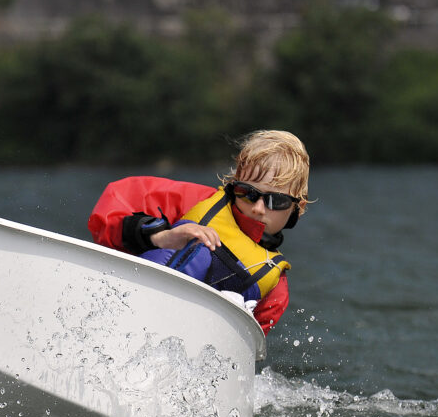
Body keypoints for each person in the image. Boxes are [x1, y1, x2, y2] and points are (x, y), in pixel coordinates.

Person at [88, 130, 310, 333]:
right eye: (247, 192)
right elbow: (109, 210)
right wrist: (159, 236)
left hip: (181, 350)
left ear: (297, 208)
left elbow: (244, 350)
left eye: (276, 201)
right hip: (120, 312)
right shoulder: (195, 202)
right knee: (197, 249)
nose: (258, 208)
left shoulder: (275, 291)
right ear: (234, 185)